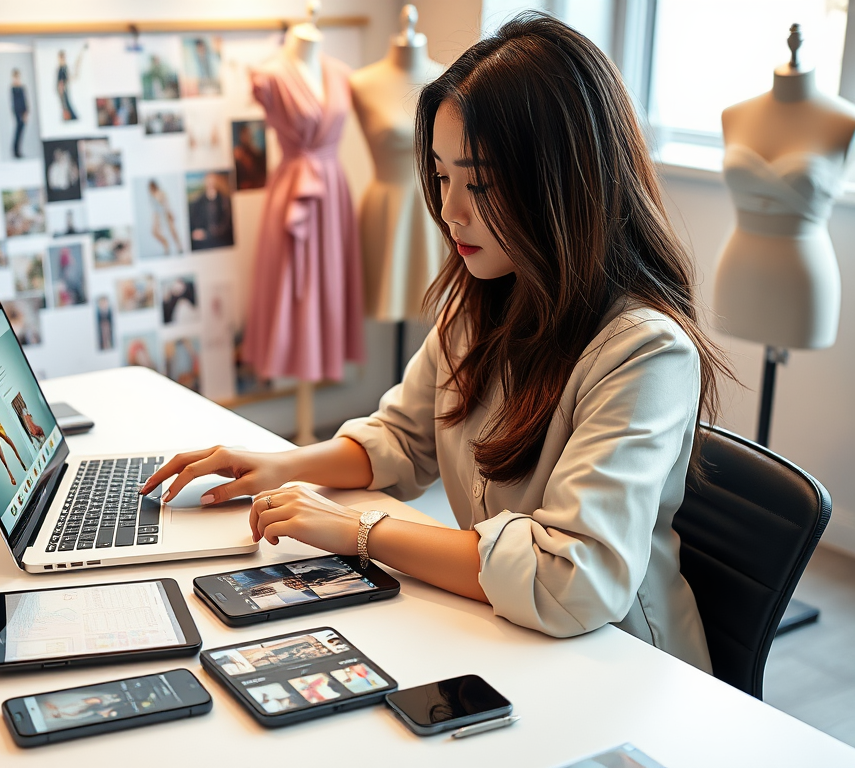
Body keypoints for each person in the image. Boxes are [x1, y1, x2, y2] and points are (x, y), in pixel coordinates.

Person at [141, 13, 732, 672]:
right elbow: (403, 437)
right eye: (442, 175)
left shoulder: (644, 352)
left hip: (624, 666)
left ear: (559, 182)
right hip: (512, 640)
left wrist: (359, 531)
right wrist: (279, 465)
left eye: (477, 182)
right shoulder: (482, 299)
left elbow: (574, 580)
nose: (450, 210)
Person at [188, 173, 233, 250]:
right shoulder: (197, 202)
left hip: (221, 240)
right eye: (208, 180)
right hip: (203, 242)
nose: (210, 182)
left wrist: (209, 234)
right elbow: (195, 220)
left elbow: (227, 223)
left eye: (212, 180)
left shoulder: (224, 200)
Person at [148, 179, 184, 254]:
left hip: (165, 213)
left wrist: (170, 213)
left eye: (151, 186)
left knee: (173, 231)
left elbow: (166, 204)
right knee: (154, 232)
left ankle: (179, 247)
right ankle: (165, 244)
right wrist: (155, 218)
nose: (150, 188)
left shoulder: (160, 193)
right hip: (157, 215)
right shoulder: (151, 195)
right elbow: (154, 208)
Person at [10, 68, 29, 159]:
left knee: (21, 132)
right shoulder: (13, 88)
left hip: (23, 112)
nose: (16, 79)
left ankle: (18, 151)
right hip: (17, 113)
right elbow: (15, 103)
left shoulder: (22, 87)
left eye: (17, 77)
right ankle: (15, 151)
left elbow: (24, 101)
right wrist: (18, 114)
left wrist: (26, 113)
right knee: (18, 132)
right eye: (15, 77)